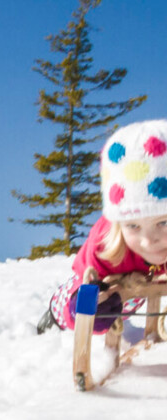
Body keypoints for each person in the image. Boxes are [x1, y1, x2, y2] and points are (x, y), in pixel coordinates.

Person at [40, 118, 167, 334]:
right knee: (85, 302)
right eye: (133, 226)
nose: (149, 240)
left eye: (162, 222)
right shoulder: (106, 244)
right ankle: (53, 320)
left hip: (144, 287)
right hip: (100, 294)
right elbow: (86, 284)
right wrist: (85, 310)